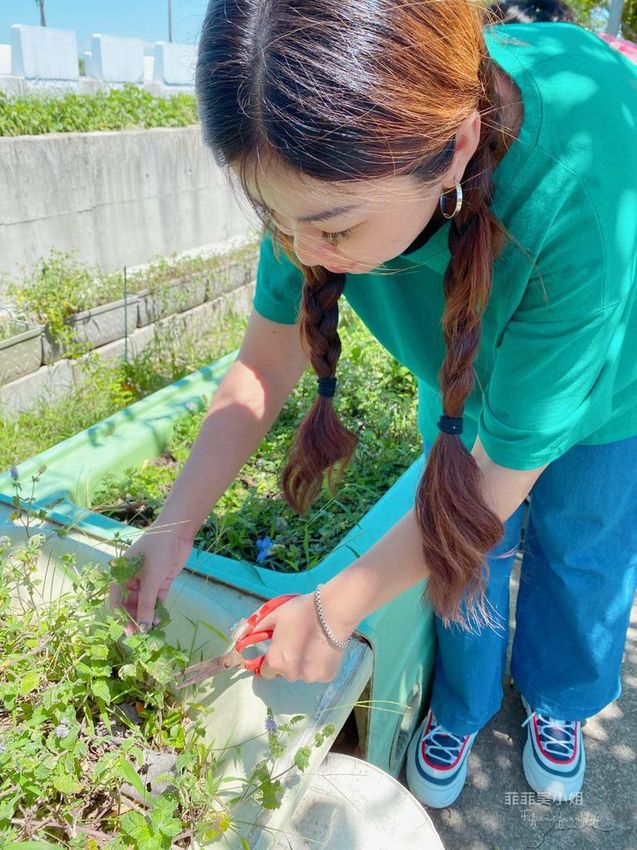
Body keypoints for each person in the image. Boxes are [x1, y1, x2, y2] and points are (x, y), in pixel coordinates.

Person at [109, 1, 637, 810]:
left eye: (332, 229)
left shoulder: (578, 183)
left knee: (584, 549)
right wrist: (173, 524)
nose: (298, 248)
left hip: (609, 390)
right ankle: (458, 711)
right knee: (462, 565)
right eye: (272, 219)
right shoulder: (313, 162)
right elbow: (265, 358)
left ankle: (558, 704)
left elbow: (500, 476)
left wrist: (333, 611)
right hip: (459, 378)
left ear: (456, 148)